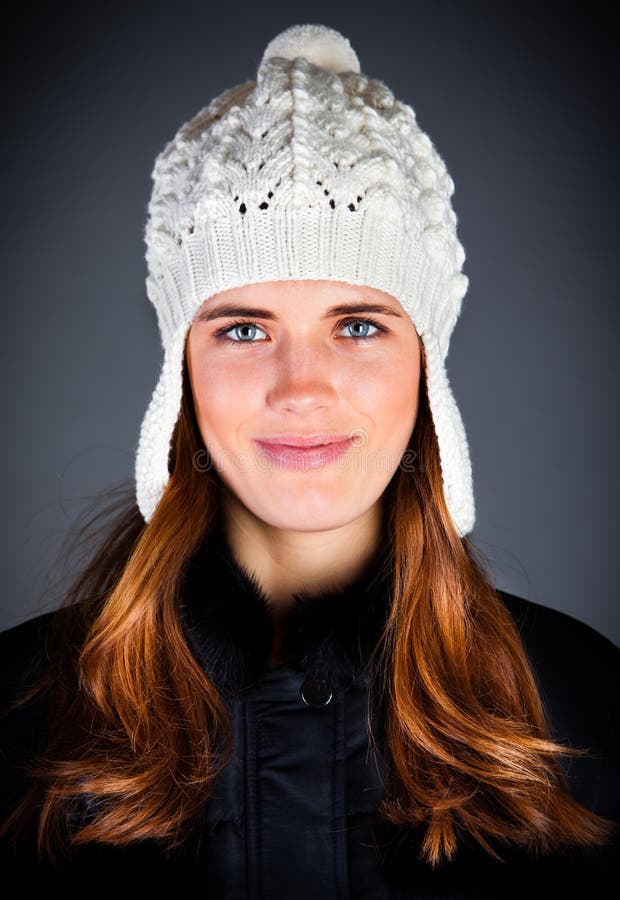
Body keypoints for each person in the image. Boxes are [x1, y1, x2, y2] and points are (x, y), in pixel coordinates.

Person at [1, 22, 618, 897]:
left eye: (357, 326)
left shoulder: (582, 707)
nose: (301, 390)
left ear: (426, 363)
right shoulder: (21, 713)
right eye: (243, 330)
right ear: (181, 368)